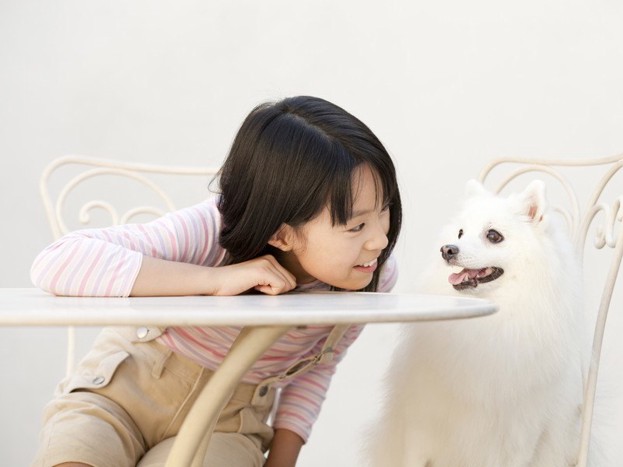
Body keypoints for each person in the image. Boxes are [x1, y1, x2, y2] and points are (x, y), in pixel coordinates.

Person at [30, 95, 402, 467]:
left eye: (383, 210)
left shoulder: (372, 275)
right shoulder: (212, 229)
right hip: (119, 396)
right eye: (356, 226)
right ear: (281, 233)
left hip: (228, 423)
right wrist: (214, 280)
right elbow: (57, 262)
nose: (380, 240)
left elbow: (316, 367)